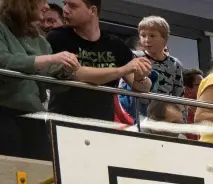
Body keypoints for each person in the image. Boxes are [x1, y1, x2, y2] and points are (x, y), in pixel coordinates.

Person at [46, 0, 149, 123]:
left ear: (92, 10)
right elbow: (78, 74)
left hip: (102, 124)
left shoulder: (115, 45)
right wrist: (124, 69)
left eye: (72, 5)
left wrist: (140, 77)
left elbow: (142, 87)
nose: (65, 10)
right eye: (65, 4)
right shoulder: (57, 38)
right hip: (63, 121)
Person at [0, 0, 78, 160]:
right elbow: (6, 62)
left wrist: (65, 70)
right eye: (42, 1)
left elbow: (48, 80)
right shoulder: (2, 29)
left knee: (42, 168)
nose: (47, 6)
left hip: (33, 115)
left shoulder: (40, 40)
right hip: (4, 111)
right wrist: (50, 59)